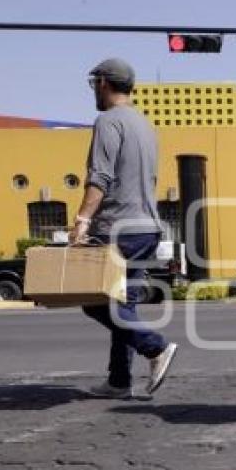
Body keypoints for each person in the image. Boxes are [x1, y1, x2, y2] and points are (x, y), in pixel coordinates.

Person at [70, 58, 178, 399]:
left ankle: (155, 348)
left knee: (95, 302)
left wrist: (83, 220)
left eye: (94, 84)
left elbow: (99, 177)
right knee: (123, 305)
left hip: (117, 227)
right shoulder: (145, 125)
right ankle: (119, 381)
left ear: (104, 82)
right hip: (147, 226)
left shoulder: (107, 122)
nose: (94, 91)